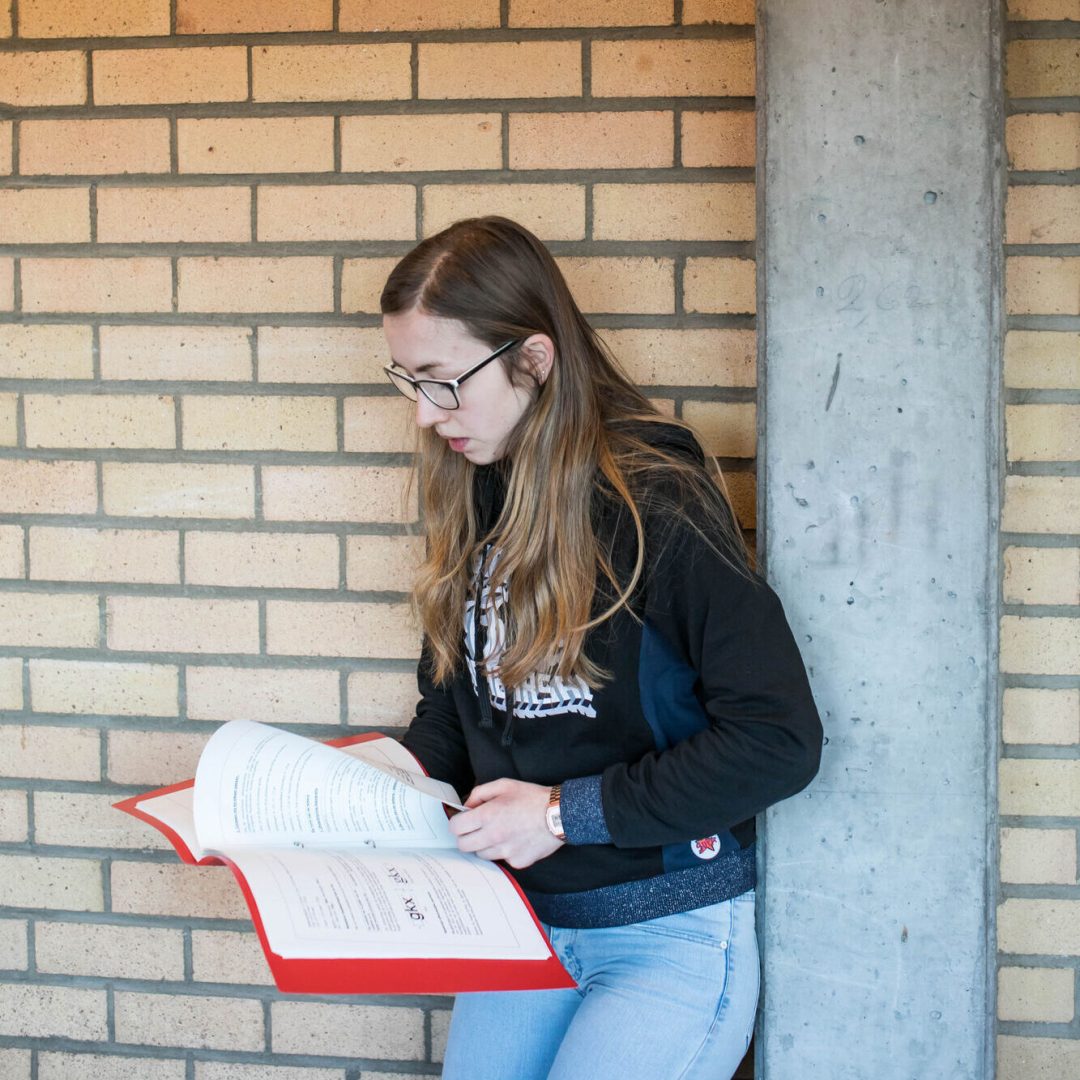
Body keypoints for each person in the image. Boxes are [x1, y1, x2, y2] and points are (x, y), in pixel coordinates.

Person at [379, 216, 822, 1080]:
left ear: (534, 360)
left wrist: (556, 815)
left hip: (670, 935)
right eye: (408, 382)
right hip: (519, 929)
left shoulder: (657, 498)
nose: (427, 418)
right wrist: (395, 782)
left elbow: (778, 741)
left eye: (443, 383)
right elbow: (451, 705)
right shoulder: (480, 491)